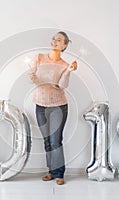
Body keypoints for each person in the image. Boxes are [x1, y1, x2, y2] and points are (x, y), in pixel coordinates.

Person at [29, 31, 78, 185]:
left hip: (58, 106)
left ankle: (59, 173)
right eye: (53, 39)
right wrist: (32, 76)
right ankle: (51, 171)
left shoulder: (64, 65)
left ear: (64, 45)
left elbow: (62, 86)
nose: (55, 42)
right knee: (47, 141)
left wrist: (68, 72)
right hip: (40, 105)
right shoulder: (39, 58)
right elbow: (34, 77)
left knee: (55, 140)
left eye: (59, 40)